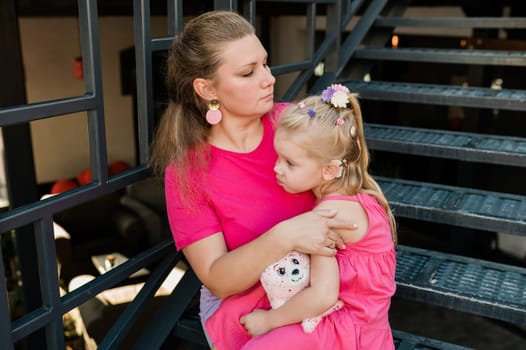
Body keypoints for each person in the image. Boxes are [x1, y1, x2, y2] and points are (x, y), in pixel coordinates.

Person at [149, 10, 356, 347]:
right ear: (206, 89)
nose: (268, 78)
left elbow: (349, 190)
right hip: (247, 310)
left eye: (265, 64)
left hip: (322, 288)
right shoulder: (188, 171)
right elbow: (218, 279)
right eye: (248, 73)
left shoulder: (296, 123)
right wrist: (285, 236)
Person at [205, 84, 398, 349]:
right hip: (369, 328)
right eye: (278, 157)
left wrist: (270, 321)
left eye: (290, 163)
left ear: (329, 170)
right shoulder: (365, 198)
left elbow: (323, 295)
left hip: (344, 331)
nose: (276, 169)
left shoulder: (327, 216)